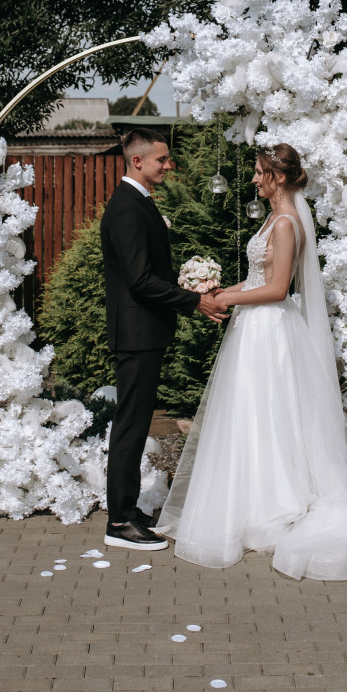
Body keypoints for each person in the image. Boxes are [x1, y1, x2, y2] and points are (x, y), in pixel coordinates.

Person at [156, 143, 347, 581]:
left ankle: (279, 502)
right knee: (254, 413)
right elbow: (258, 278)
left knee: (269, 412)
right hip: (254, 328)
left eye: (259, 172)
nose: (253, 179)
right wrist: (214, 288)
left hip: (270, 327)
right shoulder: (273, 218)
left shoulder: (286, 223)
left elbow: (278, 289)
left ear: (279, 177)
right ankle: (255, 497)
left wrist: (224, 296)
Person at [100, 127, 227, 551]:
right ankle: (119, 522)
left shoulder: (138, 203)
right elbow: (139, 280)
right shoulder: (127, 209)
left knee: (134, 425)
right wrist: (195, 300)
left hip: (144, 332)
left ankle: (127, 509)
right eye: (162, 159)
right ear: (137, 161)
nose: (169, 165)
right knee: (131, 427)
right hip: (136, 333)